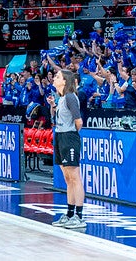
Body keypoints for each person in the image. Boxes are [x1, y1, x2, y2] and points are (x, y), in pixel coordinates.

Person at [48, 69, 86, 229]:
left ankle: (79, 216)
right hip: (60, 136)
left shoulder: (70, 97)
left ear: (65, 81)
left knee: (75, 177)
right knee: (68, 178)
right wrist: (53, 106)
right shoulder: (62, 98)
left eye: (57, 76)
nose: (54, 78)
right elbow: (57, 119)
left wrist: (71, 137)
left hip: (69, 137)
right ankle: (69, 213)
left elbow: (79, 121)